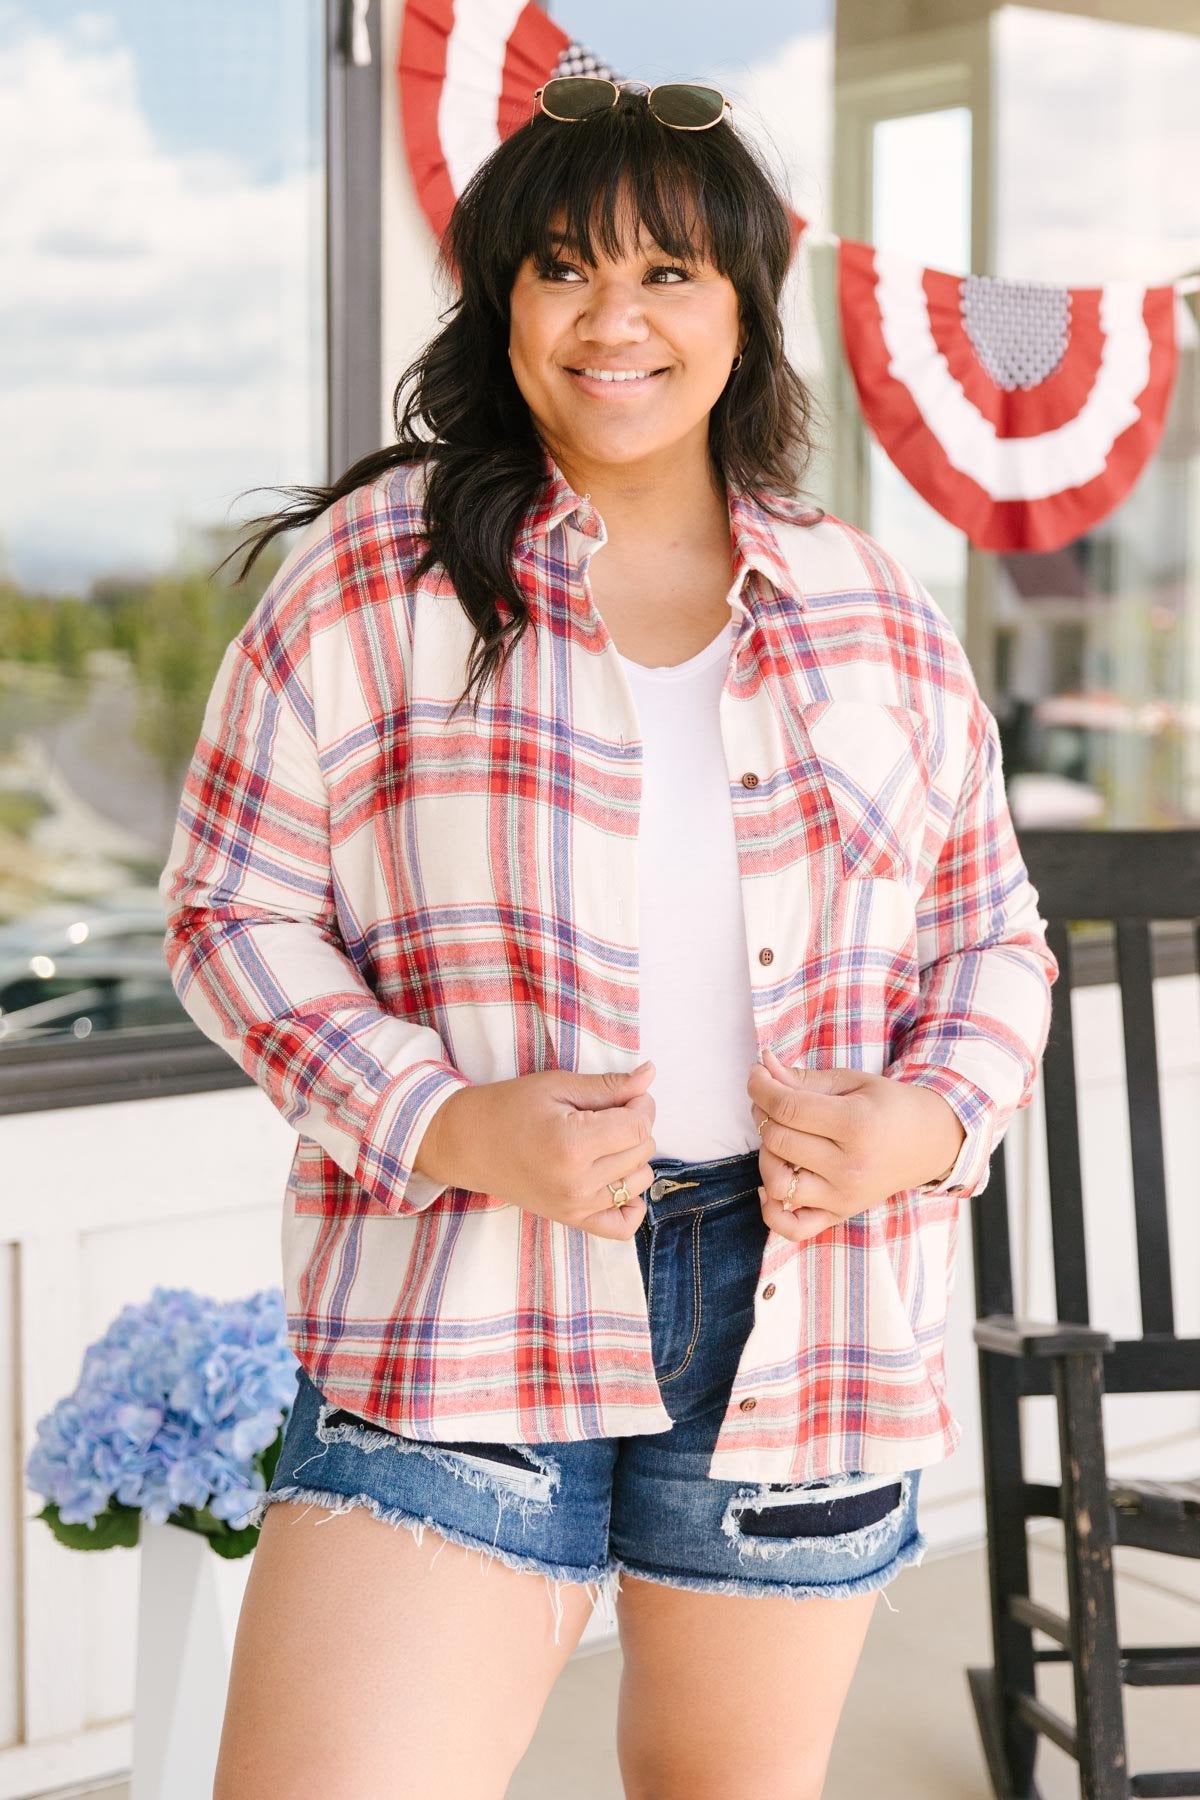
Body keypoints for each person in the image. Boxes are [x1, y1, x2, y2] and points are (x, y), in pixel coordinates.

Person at [159, 76, 1056, 1800]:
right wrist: (443, 1117)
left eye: (669, 274)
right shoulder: (375, 580)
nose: (614, 318)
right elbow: (230, 906)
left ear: (743, 311)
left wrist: (928, 1121)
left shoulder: (873, 605)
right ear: (504, 306)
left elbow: (994, 936)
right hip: (460, 1297)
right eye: (564, 268)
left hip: (812, 1316)